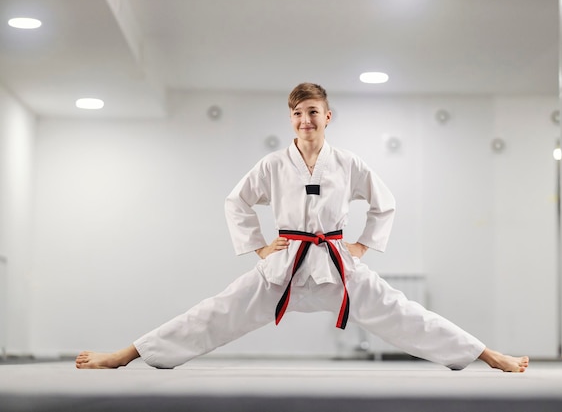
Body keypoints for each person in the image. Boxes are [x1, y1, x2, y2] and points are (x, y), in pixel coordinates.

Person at [76, 83, 529, 372]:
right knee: (215, 312)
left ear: (327, 116)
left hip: (336, 268)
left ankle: (485, 355)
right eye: (297, 114)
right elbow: (237, 202)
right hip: (284, 268)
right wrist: (258, 248)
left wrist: (363, 247)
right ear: (289, 119)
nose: (305, 120)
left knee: (404, 312)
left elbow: (383, 203)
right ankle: (127, 354)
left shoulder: (348, 163)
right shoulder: (274, 165)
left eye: (313, 112)